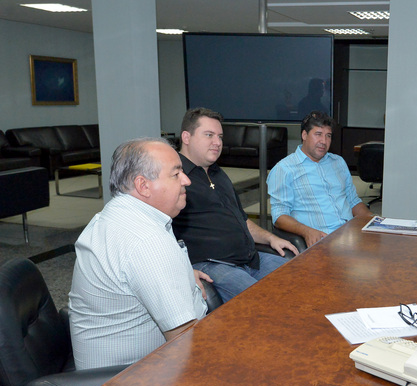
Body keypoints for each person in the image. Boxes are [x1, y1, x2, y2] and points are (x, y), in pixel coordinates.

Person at [69, 138, 209, 370]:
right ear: (143, 186)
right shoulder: (145, 240)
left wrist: (183, 274)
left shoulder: (121, 215)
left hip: (129, 365)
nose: (186, 180)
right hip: (130, 379)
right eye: (176, 174)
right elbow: (185, 340)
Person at [172, 107, 298, 303]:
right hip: (213, 265)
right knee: (266, 303)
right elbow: (158, 231)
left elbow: (242, 219)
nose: (217, 142)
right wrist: (182, 270)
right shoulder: (174, 178)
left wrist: (270, 238)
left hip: (250, 260)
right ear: (186, 137)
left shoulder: (218, 173)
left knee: (302, 278)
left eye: (220, 136)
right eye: (209, 135)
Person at [268, 111, 371, 247]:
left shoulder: (338, 162)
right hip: (323, 241)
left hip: (352, 235)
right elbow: (279, 216)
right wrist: (306, 231)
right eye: (318, 134)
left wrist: (373, 221)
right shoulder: (284, 169)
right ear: (304, 135)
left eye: (328, 136)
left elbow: (353, 201)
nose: (324, 141)